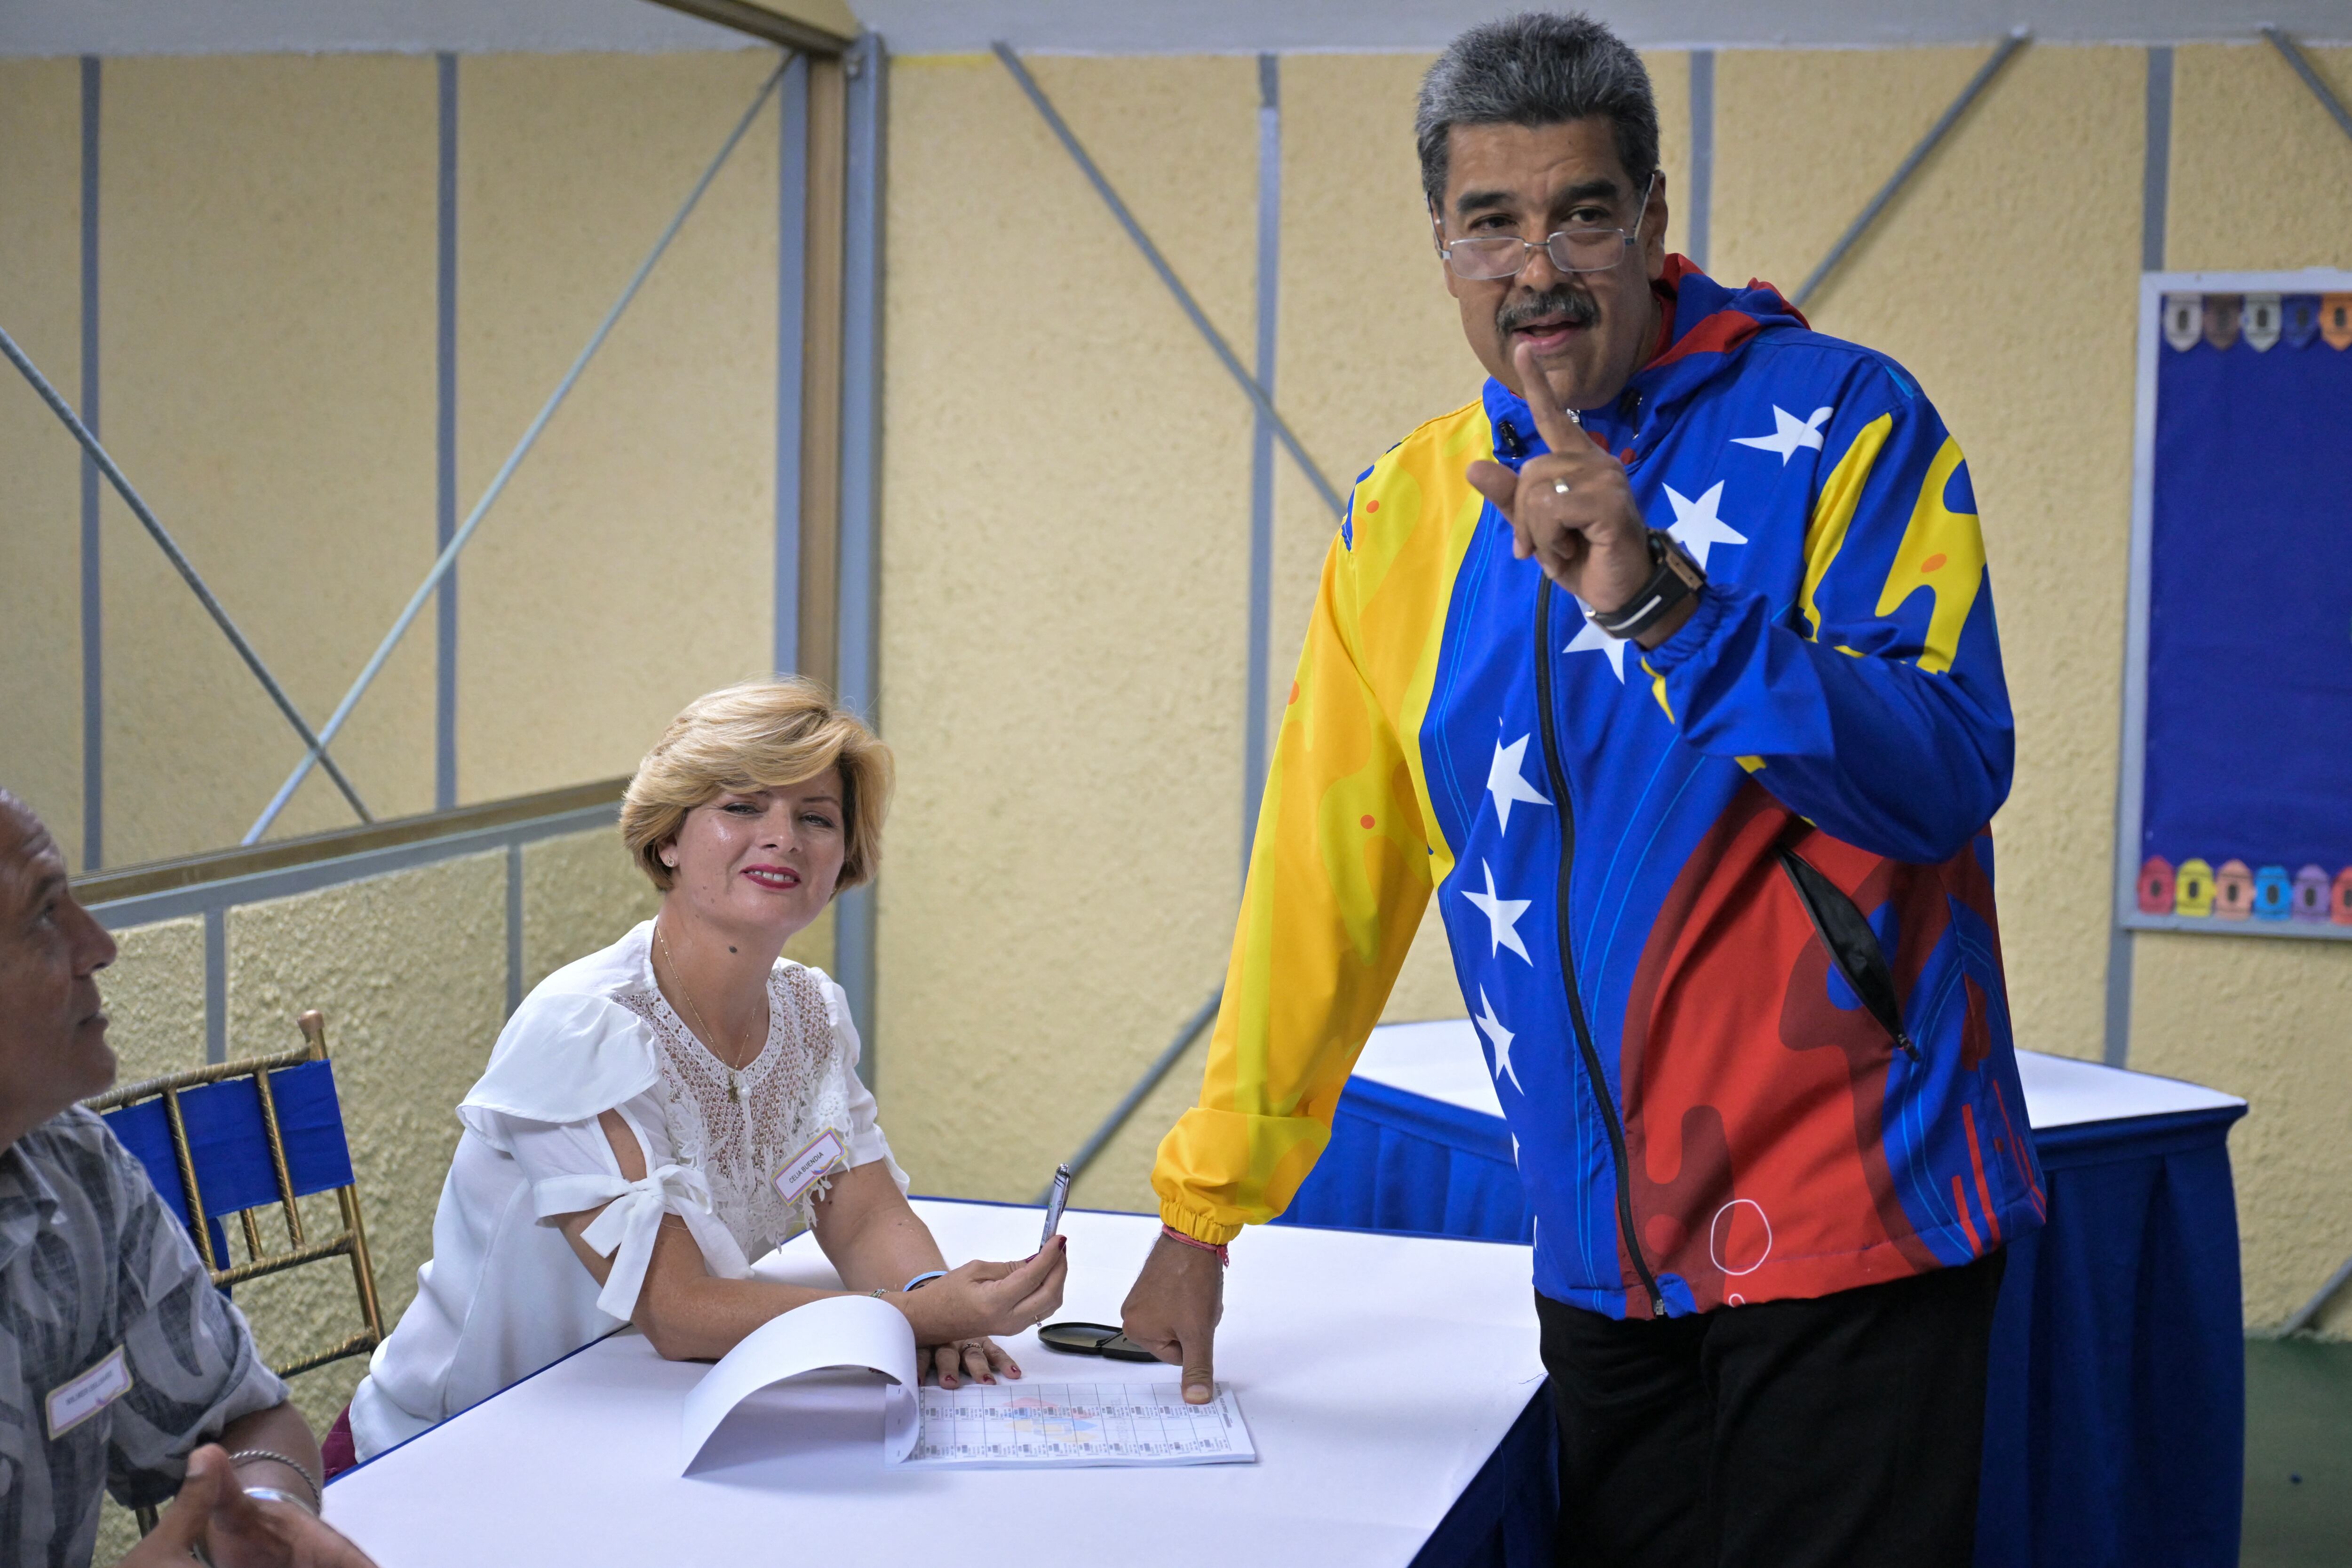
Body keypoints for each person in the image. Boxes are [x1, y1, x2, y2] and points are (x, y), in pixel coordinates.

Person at [1121, 15, 2040, 1567]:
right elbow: (1324, 887)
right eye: (1493, 221)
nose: (1537, 264)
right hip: (1603, 1256)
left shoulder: (1849, 422)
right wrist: (1205, 1211)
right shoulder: (1406, 515)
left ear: (1653, 221)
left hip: (1851, 1223)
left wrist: (1668, 607)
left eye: (1582, 212)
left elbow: (1946, 769)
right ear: (1444, 248)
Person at [342, 678, 1066, 1466]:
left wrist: (936, 1297)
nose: (783, 837)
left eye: (816, 817)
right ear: (668, 840)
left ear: (843, 859)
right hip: (448, 1453)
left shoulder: (811, 1014)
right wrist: (907, 1318)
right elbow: (678, 1309)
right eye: (743, 807)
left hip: (645, 1426)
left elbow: (860, 1216)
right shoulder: (583, 1028)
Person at [0, 789, 376, 1568]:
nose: (99, 944)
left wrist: (262, 1515)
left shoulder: (75, 1167)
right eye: (44, 914)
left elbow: (243, 1421)